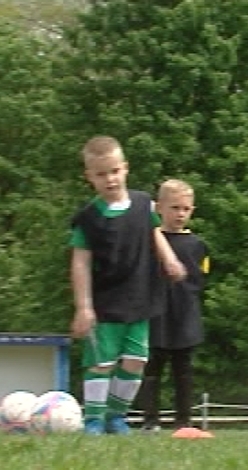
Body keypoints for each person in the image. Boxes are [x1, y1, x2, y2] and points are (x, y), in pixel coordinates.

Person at [70, 136, 186, 435]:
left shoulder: (142, 203)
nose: (109, 179)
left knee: (136, 360)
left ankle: (116, 417)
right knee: (102, 362)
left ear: (125, 169)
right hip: (105, 301)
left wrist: (169, 259)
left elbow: (154, 232)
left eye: (114, 171)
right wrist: (83, 307)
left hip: (140, 295)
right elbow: (80, 262)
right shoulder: (88, 219)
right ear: (89, 177)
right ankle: (93, 420)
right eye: (100, 174)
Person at [138, 179, 209, 433]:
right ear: (159, 208)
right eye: (174, 208)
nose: (180, 214)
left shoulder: (198, 245)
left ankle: (184, 420)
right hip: (156, 314)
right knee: (152, 369)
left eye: (185, 209)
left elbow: (200, 280)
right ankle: (150, 419)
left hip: (185, 315)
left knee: (183, 371)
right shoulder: (151, 241)